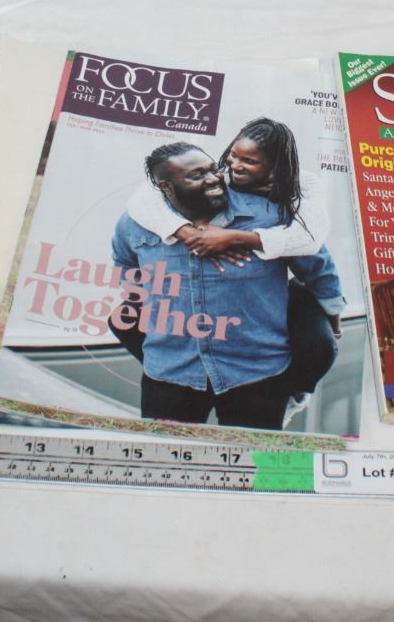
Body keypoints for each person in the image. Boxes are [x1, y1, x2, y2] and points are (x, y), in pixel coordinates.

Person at [119, 118, 345, 422]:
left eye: (213, 169)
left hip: (256, 374)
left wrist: (333, 316)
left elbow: (317, 263)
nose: (219, 176)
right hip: (170, 374)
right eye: (198, 175)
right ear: (165, 187)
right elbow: (128, 268)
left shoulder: (279, 210)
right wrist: (186, 234)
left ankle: (296, 396)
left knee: (320, 347)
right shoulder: (138, 219)